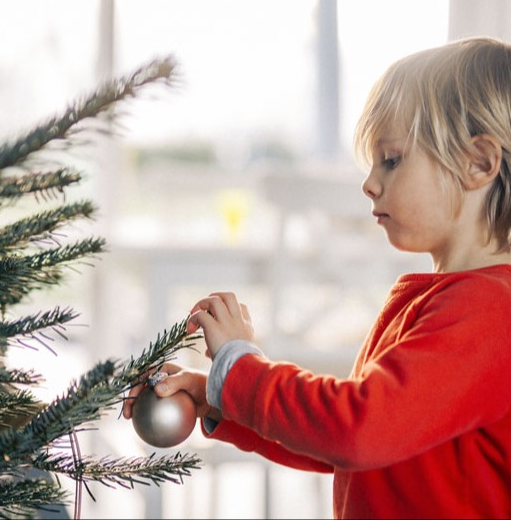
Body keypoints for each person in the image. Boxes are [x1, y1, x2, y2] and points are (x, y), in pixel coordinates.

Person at [123, 36, 511, 518]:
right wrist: (218, 395)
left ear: (478, 163)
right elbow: (344, 445)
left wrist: (241, 367)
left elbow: (356, 430)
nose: (369, 182)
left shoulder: (490, 313)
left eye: (391, 159)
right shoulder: (449, 301)